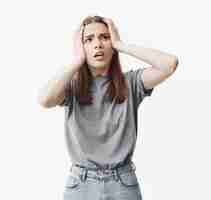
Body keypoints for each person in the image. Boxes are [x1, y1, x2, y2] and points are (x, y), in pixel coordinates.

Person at [37, 15, 178, 200]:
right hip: (81, 185)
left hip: (122, 184)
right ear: (81, 46)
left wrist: (120, 45)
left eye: (105, 37)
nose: (98, 44)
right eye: (89, 39)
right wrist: (77, 60)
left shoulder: (131, 83)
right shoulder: (71, 86)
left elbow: (169, 64)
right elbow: (44, 100)